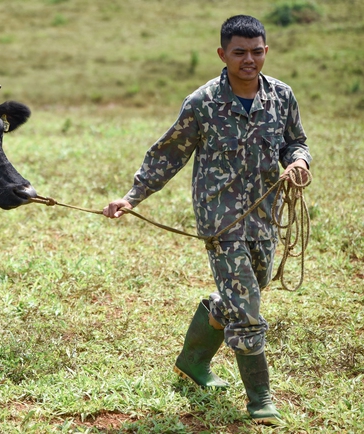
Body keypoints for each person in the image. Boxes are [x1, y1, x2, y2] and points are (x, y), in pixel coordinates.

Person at [103, 15, 311, 425]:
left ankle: (191, 362)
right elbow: (168, 154)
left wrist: (299, 160)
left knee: (244, 293)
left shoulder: (282, 97)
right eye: (239, 52)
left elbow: (295, 140)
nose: (248, 60)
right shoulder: (203, 103)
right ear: (223, 54)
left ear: (265, 51)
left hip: (266, 218)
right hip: (222, 221)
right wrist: (131, 197)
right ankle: (260, 399)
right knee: (247, 308)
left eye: (256, 51)